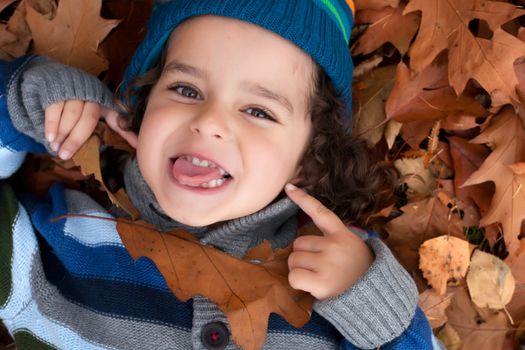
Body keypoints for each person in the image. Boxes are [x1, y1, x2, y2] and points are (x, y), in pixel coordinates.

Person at [0, 0, 442, 349]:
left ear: (310, 159)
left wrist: (378, 311)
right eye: (185, 89)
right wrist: (26, 107)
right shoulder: (64, 242)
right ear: (139, 108)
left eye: (257, 110)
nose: (211, 120)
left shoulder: (334, 287)